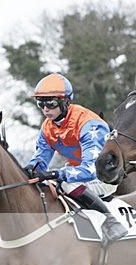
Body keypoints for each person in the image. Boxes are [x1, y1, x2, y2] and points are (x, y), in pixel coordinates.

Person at [24, 72, 127, 247]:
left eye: (51, 103)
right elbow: (40, 159)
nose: (45, 109)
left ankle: (111, 222)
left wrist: (55, 173)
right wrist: (28, 171)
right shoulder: (47, 128)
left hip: (104, 176)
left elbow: (90, 170)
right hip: (77, 174)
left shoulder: (89, 124)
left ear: (66, 102)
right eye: (41, 103)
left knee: (66, 184)